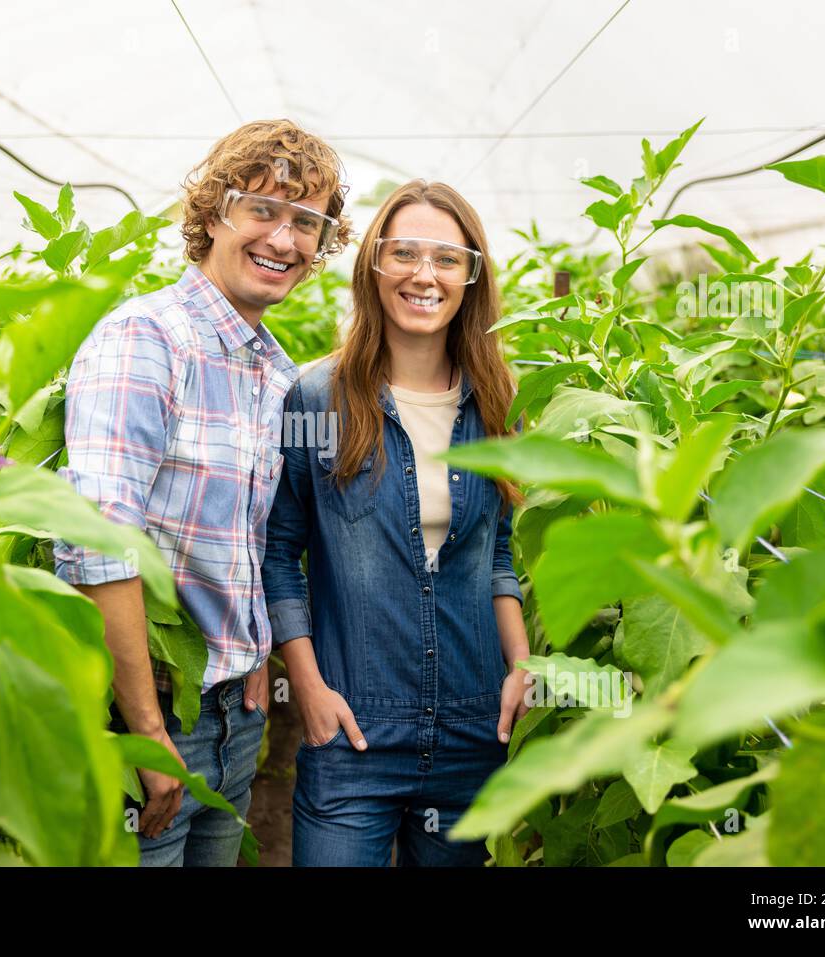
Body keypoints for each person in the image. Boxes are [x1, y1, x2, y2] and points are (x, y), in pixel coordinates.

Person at [55, 120, 352, 866]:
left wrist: (251, 646)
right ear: (214, 214)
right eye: (263, 210)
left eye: (307, 223)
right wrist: (147, 731)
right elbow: (97, 543)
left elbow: (250, 538)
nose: (284, 240)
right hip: (148, 710)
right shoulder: (146, 341)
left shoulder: (276, 373)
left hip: (236, 714)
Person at [262, 179, 533, 867]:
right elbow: (279, 551)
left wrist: (521, 666)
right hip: (351, 736)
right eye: (403, 253)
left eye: (446, 257)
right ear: (373, 267)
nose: (423, 274)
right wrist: (311, 690)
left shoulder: (500, 401)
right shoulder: (317, 397)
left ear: (471, 276)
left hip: (474, 734)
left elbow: (498, 552)